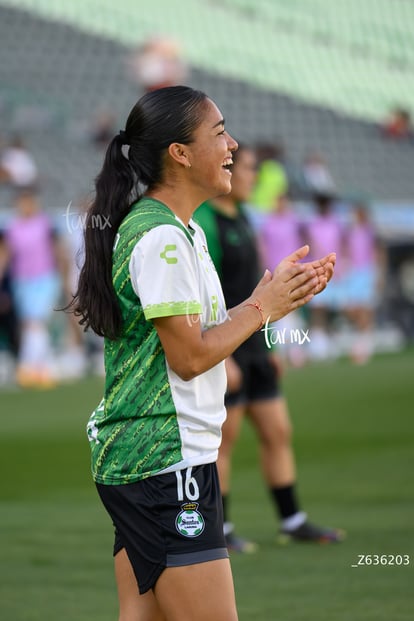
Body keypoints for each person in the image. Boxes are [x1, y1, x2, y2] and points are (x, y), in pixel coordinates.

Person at [67, 86, 336, 621]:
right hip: (166, 460)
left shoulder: (177, 231)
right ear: (180, 153)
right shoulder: (163, 238)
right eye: (219, 133)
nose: (233, 144)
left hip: (150, 458)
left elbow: (198, 337)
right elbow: (188, 357)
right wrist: (262, 308)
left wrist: (268, 301)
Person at [195, 145, 344, 553]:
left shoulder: (243, 216)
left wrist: (272, 343)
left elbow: (260, 288)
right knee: (224, 441)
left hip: (257, 341)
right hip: (228, 344)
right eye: (245, 169)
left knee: (278, 431)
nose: (252, 177)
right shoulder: (205, 222)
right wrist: (224, 357)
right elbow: (205, 300)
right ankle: (220, 532)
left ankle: (292, 521)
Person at [5, 188, 62, 387]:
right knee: (31, 324)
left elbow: (57, 250)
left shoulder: (45, 223)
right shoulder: (12, 227)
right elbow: (7, 254)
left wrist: (63, 276)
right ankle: (42, 367)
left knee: (36, 322)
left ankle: (29, 366)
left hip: (45, 277)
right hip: (22, 280)